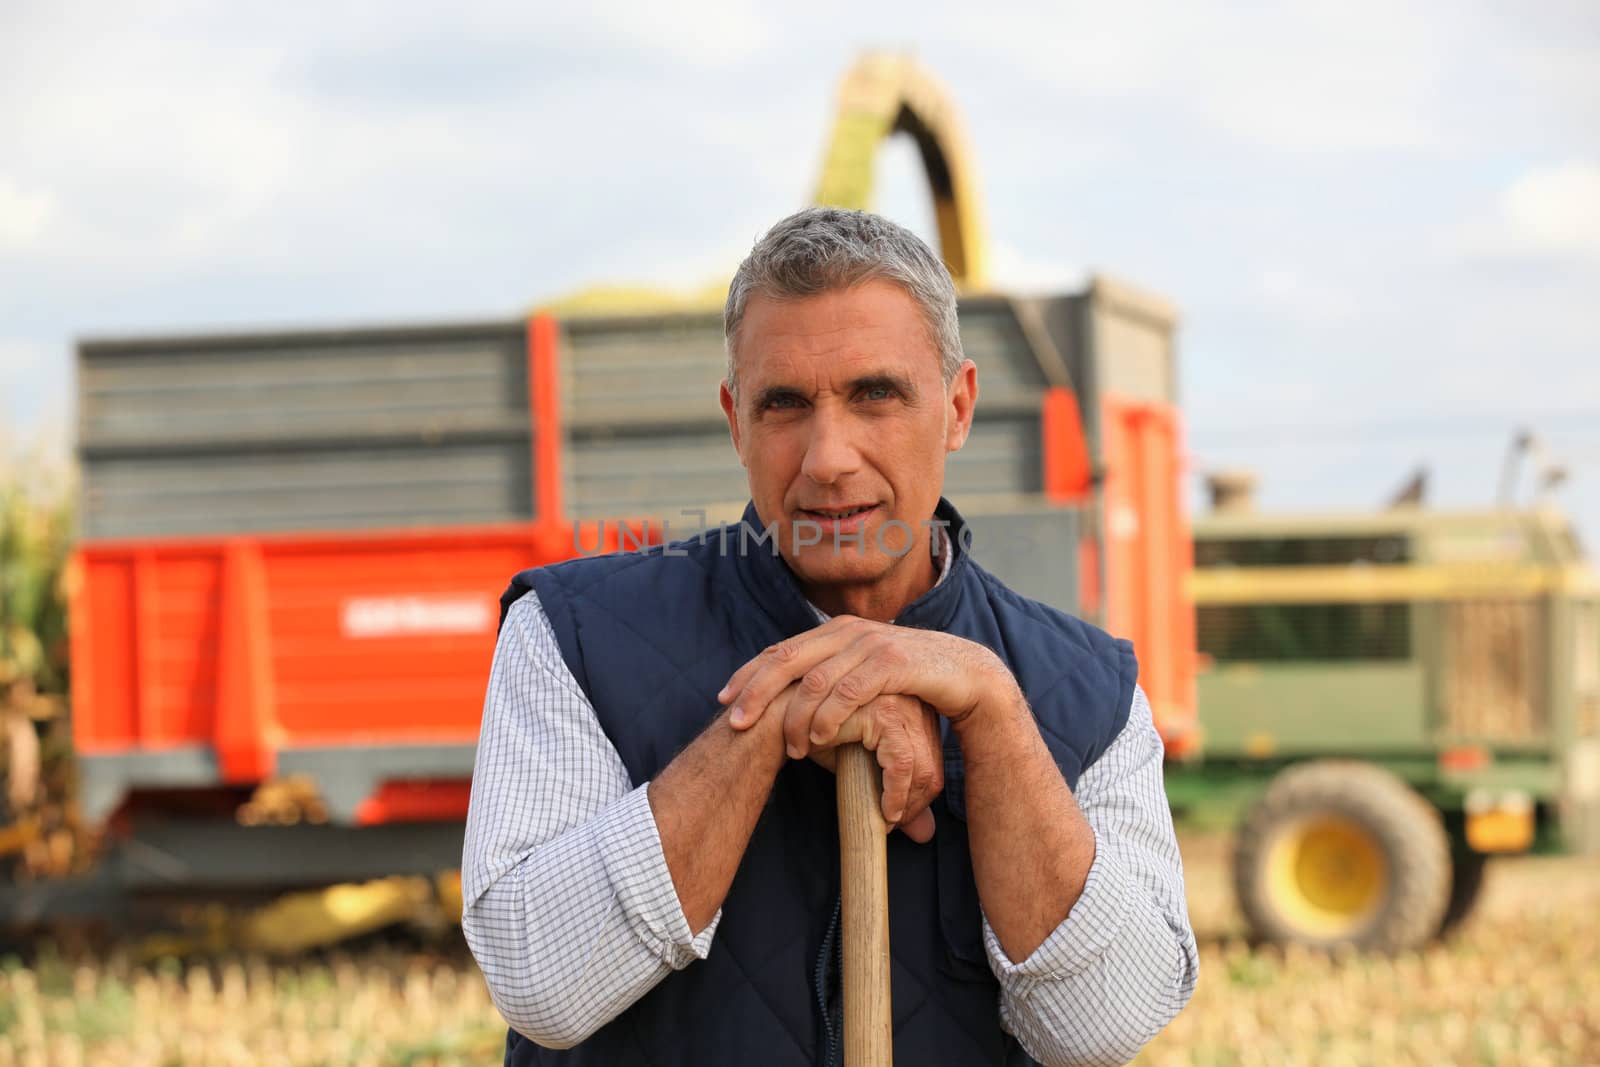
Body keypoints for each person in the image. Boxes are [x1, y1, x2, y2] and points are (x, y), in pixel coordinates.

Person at [462, 207, 1199, 1067]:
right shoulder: (573, 636)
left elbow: (1106, 1025)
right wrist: (779, 713)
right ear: (737, 420)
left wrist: (993, 716)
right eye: (785, 405)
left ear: (957, 408)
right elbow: (542, 984)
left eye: (874, 395)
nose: (828, 457)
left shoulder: (1086, 689)